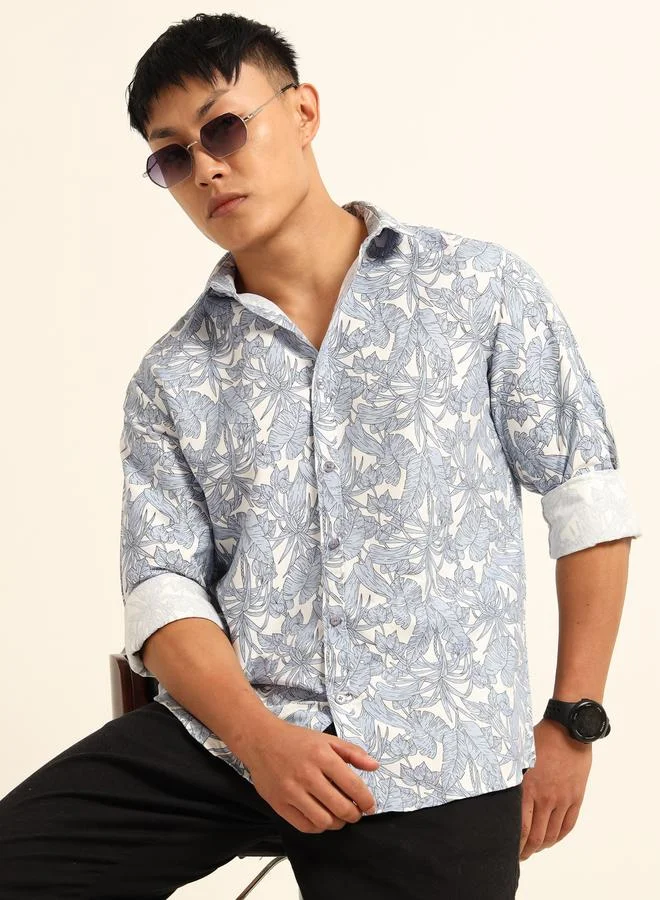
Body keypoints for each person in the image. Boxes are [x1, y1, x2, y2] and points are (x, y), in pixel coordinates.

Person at [0, 11, 642, 899]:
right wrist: (260, 742)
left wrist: (573, 723)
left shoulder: (479, 292)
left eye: (225, 128)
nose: (206, 168)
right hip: (228, 738)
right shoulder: (172, 375)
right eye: (173, 156)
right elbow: (162, 593)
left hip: (432, 757)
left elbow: (586, 503)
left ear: (303, 112)